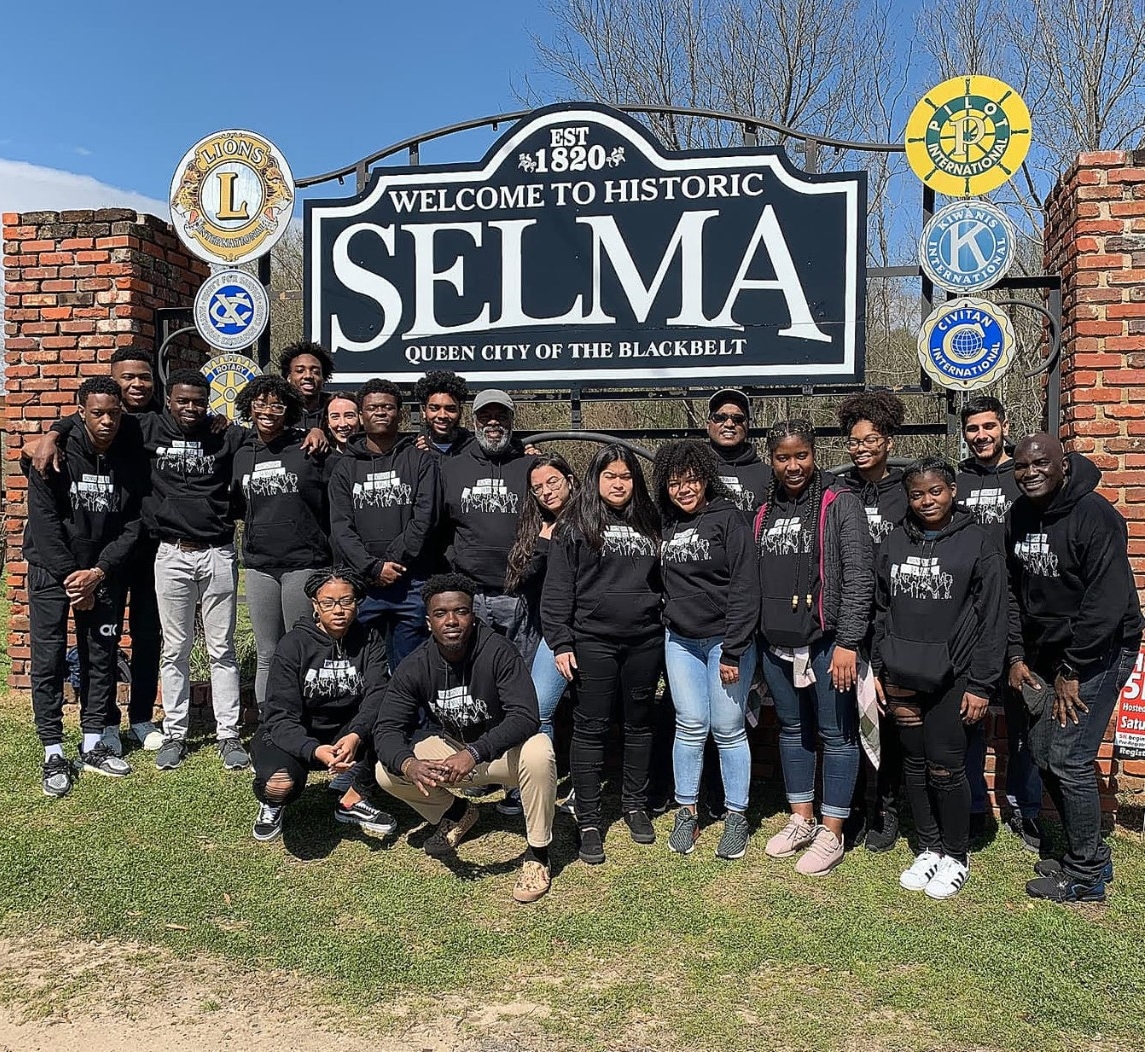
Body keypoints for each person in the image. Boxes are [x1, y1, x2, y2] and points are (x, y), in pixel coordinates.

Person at [1007, 434, 1143, 903]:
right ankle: (1081, 854)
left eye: (1040, 464)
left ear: (1064, 464)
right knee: (1044, 753)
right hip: (1050, 653)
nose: (1030, 473)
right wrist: (1016, 655)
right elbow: (1014, 589)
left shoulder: (1096, 516)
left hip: (1100, 651)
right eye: (1022, 467)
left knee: (1068, 755)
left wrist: (1073, 670)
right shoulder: (1021, 514)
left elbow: (1105, 603)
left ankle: (1087, 875)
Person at [373, 574, 557, 903]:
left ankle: (538, 853)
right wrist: (410, 764)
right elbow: (386, 728)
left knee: (540, 750)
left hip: (502, 753)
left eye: (461, 611)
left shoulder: (498, 651)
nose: (452, 620)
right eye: (441, 614)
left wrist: (474, 752)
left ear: (473, 616)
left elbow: (526, 716)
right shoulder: (415, 665)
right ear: (428, 621)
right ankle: (457, 813)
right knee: (386, 771)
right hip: (454, 750)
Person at [872, 458, 1006, 899]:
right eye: (917, 494)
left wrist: (982, 683)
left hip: (954, 676)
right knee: (912, 763)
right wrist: (877, 667)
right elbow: (881, 609)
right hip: (901, 672)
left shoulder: (978, 542)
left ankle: (955, 854)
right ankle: (928, 846)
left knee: (945, 767)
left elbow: (993, 619)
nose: (926, 501)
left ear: (952, 490)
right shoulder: (893, 541)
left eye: (935, 491)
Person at [30, 345, 165, 752]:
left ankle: (103, 735)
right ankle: (55, 745)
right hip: (60, 568)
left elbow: (132, 516)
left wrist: (97, 573)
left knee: (111, 647)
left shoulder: (149, 428)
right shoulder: (59, 447)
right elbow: (45, 521)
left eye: (144, 376)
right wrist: (73, 577)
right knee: (49, 656)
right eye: (128, 377)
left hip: (112, 562)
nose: (107, 419)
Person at [755, 419, 872, 876]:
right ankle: (801, 817)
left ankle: (832, 831)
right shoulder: (765, 511)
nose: (793, 465)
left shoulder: (839, 503)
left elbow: (859, 575)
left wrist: (848, 641)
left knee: (836, 734)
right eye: (783, 457)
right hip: (777, 643)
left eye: (800, 455)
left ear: (814, 454)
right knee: (791, 730)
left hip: (827, 644)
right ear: (772, 460)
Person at [542, 445, 663, 864]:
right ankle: (589, 818)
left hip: (645, 640)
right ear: (595, 480)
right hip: (592, 641)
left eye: (625, 476)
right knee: (590, 728)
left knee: (639, 725)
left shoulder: (651, 520)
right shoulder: (574, 525)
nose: (617, 484)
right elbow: (557, 589)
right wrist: (561, 641)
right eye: (609, 476)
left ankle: (634, 804)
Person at [653, 441, 760, 860]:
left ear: (706, 479)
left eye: (692, 480)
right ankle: (686, 812)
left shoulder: (728, 518)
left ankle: (736, 817)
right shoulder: (666, 524)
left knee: (729, 728)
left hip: (724, 643)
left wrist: (734, 650)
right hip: (680, 641)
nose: (684, 489)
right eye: (675, 483)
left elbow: (745, 586)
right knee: (690, 723)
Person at [145, 370, 252, 772]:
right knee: (174, 648)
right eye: (183, 401)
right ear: (169, 400)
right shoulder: (149, 428)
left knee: (221, 648)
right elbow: (88, 422)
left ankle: (229, 734)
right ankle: (175, 733)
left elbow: (272, 434)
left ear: (209, 402)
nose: (191, 408)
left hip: (218, 554)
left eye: (198, 401)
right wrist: (51, 434)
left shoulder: (225, 434)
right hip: (171, 554)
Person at [251, 570, 396, 842]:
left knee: (394, 726)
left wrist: (355, 735)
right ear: (315, 606)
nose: (338, 610)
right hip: (295, 735)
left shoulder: (369, 639)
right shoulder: (293, 644)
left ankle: (352, 797)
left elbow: (379, 694)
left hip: (347, 734)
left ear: (357, 603)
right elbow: (280, 715)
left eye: (346, 601)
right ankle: (272, 804)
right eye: (328, 603)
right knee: (279, 785)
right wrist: (314, 750)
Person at [956, 395, 1041, 849]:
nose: (982, 435)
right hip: (968, 615)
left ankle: (1025, 809)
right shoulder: (957, 479)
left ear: (1004, 427)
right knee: (968, 718)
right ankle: (970, 809)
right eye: (973, 429)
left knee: (1023, 719)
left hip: (1020, 613)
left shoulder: (1023, 476)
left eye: (989, 426)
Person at [231, 375, 332, 712]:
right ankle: (269, 720)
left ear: (289, 409)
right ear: (249, 406)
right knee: (267, 652)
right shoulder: (242, 452)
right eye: (261, 403)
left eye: (277, 404)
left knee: (301, 645)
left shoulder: (308, 447)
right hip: (260, 565)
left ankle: (305, 719)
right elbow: (235, 505)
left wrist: (317, 430)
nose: (268, 410)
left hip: (303, 563)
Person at [835, 390, 908, 853]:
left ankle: (888, 807)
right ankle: (860, 803)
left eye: (870, 439)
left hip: (896, 616)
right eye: (854, 441)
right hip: (849, 616)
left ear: (887, 440)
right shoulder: (840, 490)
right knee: (853, 718)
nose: (861, 448)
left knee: (890, 718)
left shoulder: (905, 490)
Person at [328, 379, 438, 670]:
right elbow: (341, 527)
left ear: (399, 413)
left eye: (388, 407)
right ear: (361, 415)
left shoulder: (421, 462)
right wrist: (373, 568)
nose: (380, 412)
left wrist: (392, 562)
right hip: (362, 584)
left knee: (412, 670)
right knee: (361, 666)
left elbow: (424, 518)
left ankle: (411, 718)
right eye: (372, 407)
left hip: (411, 582)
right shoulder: (344, 468)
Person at [502, 453, 578, 815]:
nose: (546, 492)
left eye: (553, 482)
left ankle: (582, 786)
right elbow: (523, 580)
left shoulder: (589, 520)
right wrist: (546, 539)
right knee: (539, 709)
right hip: (549, 632)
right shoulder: (536, 527)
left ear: (570, 480)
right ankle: (539, 784)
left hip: (590, 632)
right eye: (537, 489)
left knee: (587, 714)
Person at [439, 389, 535, 657]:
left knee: (518, 673)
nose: (493, 422)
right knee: (473, 671)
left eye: (500, 415)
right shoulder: (451, 469)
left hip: (519, 594)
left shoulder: (530, 466)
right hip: (469, 593)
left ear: (511, 420)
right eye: (485, 416)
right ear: (474, 422)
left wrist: (531, 567)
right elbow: (438, 527)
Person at [705, 389, 771, 521]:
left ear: (748, 426)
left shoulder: (767, 475)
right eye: (720, 418)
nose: (729, 424)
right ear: (708, 425)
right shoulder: (693, 470)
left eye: (738, 419)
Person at [413, 370, 473, 457]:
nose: (442, 415)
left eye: (450, 409)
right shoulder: (413, 452)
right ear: (424, 411)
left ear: (461, 411)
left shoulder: (474, 450)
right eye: (434, 409)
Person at [279, 340, 335, 431]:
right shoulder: (279, 411)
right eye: (300, 371)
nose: (308, 376)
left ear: (324, 378)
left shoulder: (334, 409)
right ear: (288, 377)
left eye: (315, 372)